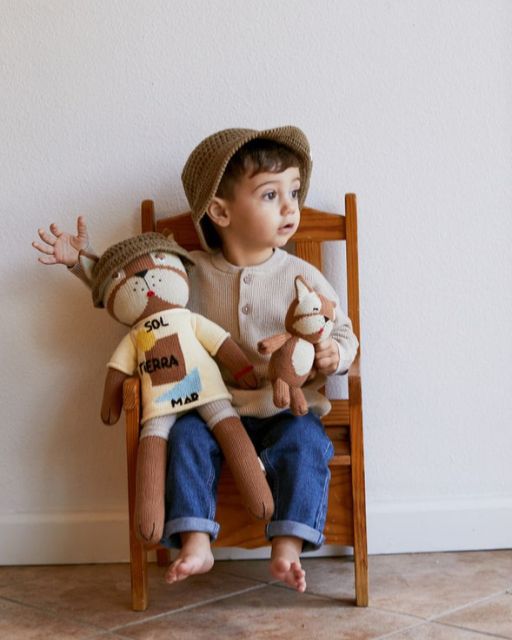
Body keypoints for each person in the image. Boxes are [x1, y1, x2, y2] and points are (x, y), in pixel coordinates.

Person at [32, 125, 359, 593]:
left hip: (285, 406)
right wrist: (79, 262)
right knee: (185, 438)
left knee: (306, 442)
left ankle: (287, 546)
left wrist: (334, 353)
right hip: (211, 407)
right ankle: (196, 540)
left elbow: (342, 331)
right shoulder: (192, 272)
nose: (290, 207)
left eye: (294, 192)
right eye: (271, 195)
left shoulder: (300, 275)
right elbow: (140, 291)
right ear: (220, 212)